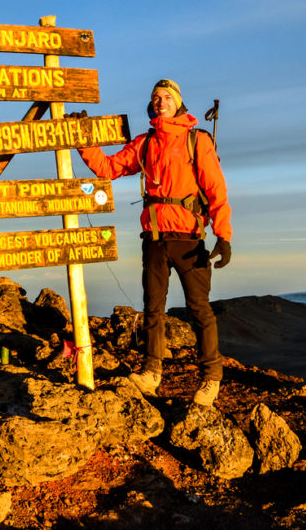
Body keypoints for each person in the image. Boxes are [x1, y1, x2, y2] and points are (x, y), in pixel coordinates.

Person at [72, 79, 232, 405]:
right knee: (153, 309)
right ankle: (151, 372)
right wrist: (84, 139)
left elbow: (216, 189)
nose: (161, 101)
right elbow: (109, 167)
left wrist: (224, 235)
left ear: (178, 103)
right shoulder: (145, 143)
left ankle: (211, 377)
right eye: (156, 98)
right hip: (155, 239)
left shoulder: (195, 140)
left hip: (189, 238)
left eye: (167, 97)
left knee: (200, 309)